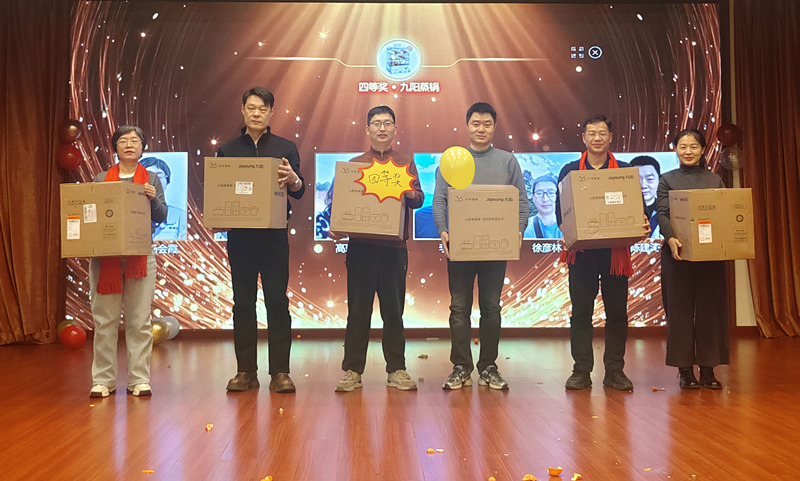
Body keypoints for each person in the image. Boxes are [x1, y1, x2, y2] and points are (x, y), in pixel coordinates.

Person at [433, 102, 529, 390]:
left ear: (494, 127)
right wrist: (443, 231)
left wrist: (519, 230)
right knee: (459, 308)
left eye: (487, 124)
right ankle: (461, 367)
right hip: (460, 248)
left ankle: (488, 366)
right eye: (476, 123)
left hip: (496, 248)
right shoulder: (452, 161)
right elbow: (440, 200)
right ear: (467, 126)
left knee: (491, 308)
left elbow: (521, 201)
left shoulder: (507, 161)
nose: (481, 129)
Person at [217, 87, 304, 394]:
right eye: (251, 108)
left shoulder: (285, 147)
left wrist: (294, 179)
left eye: (262, 109)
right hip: (240, 238)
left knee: (277, 302)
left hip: (274, 237)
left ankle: (280, 372)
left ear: (271, 113)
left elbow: (300, 190)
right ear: (242, 110)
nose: (256, 113)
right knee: (242, 303)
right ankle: (245, 371)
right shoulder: (227, 151)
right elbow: (219, 191)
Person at [331, 105, 424, 392]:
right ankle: (352, 371)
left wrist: (408, 191)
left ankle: (396, 369)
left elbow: (419, 199)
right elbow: (340, 204)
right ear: (367, 129)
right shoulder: (355, 164)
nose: (382, 128)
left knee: (393, 313)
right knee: (358, 312)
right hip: (361, 249)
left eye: (387, 123)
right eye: (376, 123)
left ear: (395, 129)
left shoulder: (405, 162)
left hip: (393, 250)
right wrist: (337, 225)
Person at [555, 114, 649, 392]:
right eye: (592, 133)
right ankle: (581, 371)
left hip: (614, 254)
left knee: (617, 314)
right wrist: (568, 231)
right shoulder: (570, 170)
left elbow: (638, 208)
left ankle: (615, 371)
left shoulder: (624, 171)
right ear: (584, 138)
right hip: (582, 254)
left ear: (610, 137)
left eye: (602, 133)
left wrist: (641, 222)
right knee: (581, 314)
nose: (597, 138)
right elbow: (562, 211)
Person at [89, 125, 167, 398]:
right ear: (115, 147)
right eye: (123, 140)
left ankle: (139, 379)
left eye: (135, 140)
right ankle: (103, 380)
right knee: (105, 322)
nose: (129, 145)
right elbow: (92, 214)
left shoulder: (152, 178)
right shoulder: (101, 179)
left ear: (143, 147)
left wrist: (153, 198)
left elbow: (161, 215)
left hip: (141, 257)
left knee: (139, 321)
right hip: (105, 258)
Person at [656, 128, 728, 390]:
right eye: (683, 146)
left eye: (693, 146)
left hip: (710, 258)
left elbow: (723, 214)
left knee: (710, 311)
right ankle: (685, 371)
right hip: (677, 256)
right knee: (680, 313)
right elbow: (662, 212)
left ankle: (708, 370)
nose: (688, 151)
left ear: (702, 150)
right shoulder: (667, 179)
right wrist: (670, 238)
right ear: (676, 150)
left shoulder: (714, 180)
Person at [140, 156, 188, 241]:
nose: (154, 181)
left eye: (158, 176)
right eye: (148, 176)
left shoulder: (181, 216)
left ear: (167, 180)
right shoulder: (126, 214)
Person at [523, 173, 563, 239]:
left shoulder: (568, 227)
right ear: (533, 197)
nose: (545, 199)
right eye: (539, 193)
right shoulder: (524, 227)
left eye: (551, 193)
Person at [630, 155, 661, 238]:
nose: (643, 185)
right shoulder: (624, 211)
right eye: (637, 179)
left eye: (649, 179)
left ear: (659, 180)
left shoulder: (667, 209)